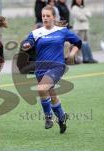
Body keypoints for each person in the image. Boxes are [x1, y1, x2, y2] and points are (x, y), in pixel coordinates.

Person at [21, 5, 82, 134]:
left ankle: (48, 117)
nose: (45, 18)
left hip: (57, 66)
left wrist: (72, 53)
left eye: (48, 16)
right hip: (41, 69)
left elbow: (78, 42)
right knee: (52, 94)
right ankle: (62, 117)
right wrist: (26, 45)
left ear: (54, 17)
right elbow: (27, 44)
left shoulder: (62, 31)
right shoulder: (36, 33)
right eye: (43, 16)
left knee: (42, 88)